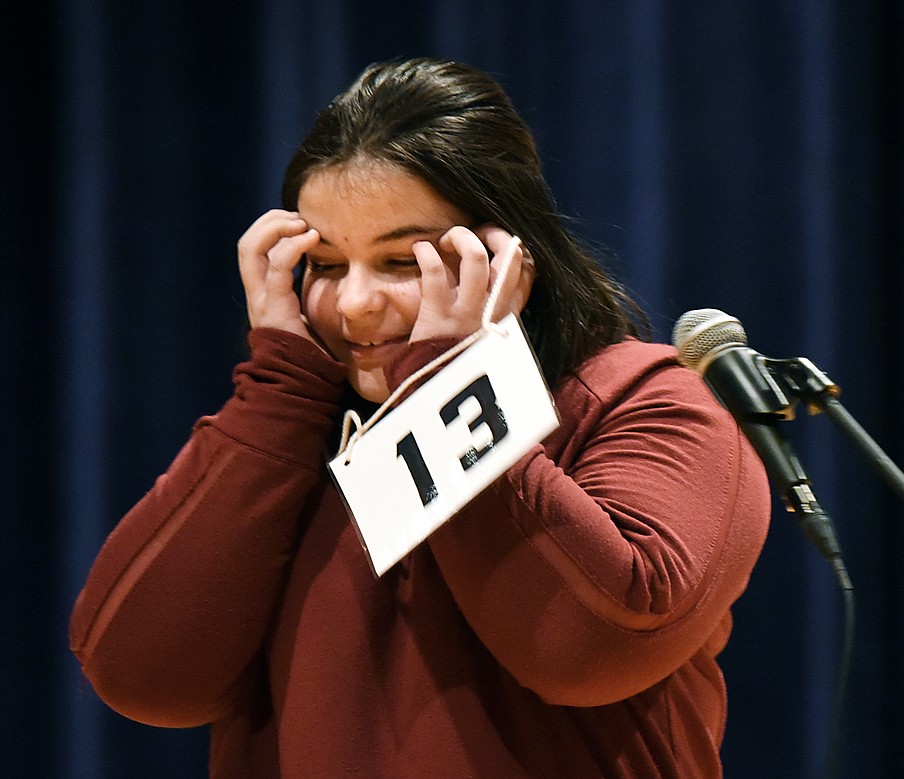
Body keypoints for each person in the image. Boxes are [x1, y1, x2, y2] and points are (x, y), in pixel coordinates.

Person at [70, 57, 771, 778]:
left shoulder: (646, 402)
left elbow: (584, 649)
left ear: (505, 256)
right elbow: (138, 672)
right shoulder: (285, 433)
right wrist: (278, 392)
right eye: (329, 264)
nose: (355, 305)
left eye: (403, 260)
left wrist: (452, 379)